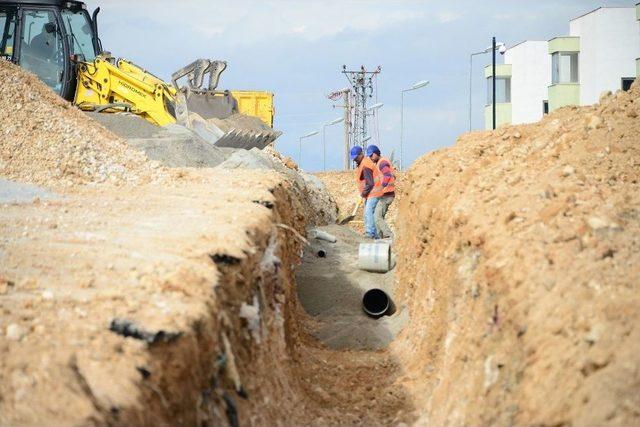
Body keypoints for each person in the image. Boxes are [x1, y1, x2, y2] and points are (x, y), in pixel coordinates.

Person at [367, 145, 396, 239]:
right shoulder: (380, 162)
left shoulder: (382, 162)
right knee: (379, 217)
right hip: (385, 194)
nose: (370, 158)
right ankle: (380, 238)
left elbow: (387, 176)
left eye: (371, 155)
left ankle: (390, 236)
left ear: (376, 153)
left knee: (377, 217)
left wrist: (381, 187)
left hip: (387, 195)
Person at [350, 145, 379, 239]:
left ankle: (370, 233)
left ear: (361, 154)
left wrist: (363, 194)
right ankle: (375, 235)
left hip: (374, 192)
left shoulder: (365, 165)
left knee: (368, 212)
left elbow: (370, 183)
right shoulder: (363, 163)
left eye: (356, 157)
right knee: (368, 213)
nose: (354, 160)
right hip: (370, 193)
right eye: (353, 158)